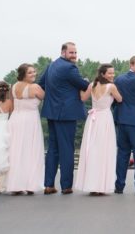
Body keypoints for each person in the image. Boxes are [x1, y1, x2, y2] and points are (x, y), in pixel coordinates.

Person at [39, 42, 90, 195]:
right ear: (63, 52)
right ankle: (66, 186)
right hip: (67, 113)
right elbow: (82, 85)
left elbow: (41, 84)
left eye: (75, 52)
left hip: (51, 112)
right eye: (71, 52)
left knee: (53, 149)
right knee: (67, 149)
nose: (74, 55)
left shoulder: (51, 66)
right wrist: (86, 80)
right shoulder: (70, 68)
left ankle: (48, 185)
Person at [75, 64, 123, 195]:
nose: (112, 75)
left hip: (93, 119)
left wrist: (80, 87)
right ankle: (100, 185)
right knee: (104, 151)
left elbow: (83, 98)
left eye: (113, 73)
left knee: (92, 151)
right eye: (110, 73)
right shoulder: (111, 87)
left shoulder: (92, 85)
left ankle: (91, 184)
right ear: (103, 74)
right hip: (105, 119)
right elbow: (120, 99)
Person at [112, 55, 135, 194]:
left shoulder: (119, 79)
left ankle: (119, 185)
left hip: (121, 119)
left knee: (122, 152)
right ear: (131, 65)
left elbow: (115, 100)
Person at [7, 64, 45, 195]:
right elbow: (45, 96)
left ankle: (16, 185)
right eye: (30, 73)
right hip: (30, 120)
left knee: (16, 152)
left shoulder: (13, 86)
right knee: (30, 151)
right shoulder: (34, 87)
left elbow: (11, 104)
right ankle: (30, 184)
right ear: (23, 74)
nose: (34, 74)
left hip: (15, 119)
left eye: (34, 72)